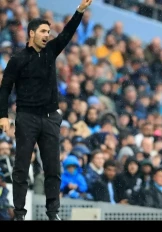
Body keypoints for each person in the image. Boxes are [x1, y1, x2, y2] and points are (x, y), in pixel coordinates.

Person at [0, 0, 93, 221]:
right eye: (43, 31)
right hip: (26, 118)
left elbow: (67, 33)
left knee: (53, 169)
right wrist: (3, 115)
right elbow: (4, 89)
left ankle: (53, 213)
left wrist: (79, 12)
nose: (47, 35)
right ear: (31, 33)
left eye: (48, 31)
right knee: (21, 168)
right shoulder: (17, 60)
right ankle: (20, 214)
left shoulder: (52, 51)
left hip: (51, 118)